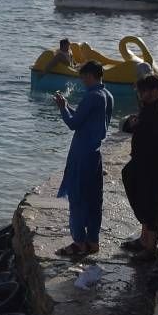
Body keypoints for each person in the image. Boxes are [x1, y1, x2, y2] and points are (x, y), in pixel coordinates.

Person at [53, 61, 113, 258]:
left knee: (77, 199)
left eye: (83, 76)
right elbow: (84, 119)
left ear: (90, 75)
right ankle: (93, 241)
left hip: (81, 153)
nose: (82, 80)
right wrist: (69, 105)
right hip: (95, 152)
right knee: (95, 199)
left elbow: (73, 123)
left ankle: (79, 242)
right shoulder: (107, 95)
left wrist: (62, 108)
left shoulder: (91, 96)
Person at [120, 75, 158, 263]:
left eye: (151, 90)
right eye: (143, 91)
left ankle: (150, 249)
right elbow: (127, 127)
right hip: (139, 164)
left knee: (151, 205)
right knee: (139, 197)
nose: (146, 94)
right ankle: (143, 240)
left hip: (154, 166)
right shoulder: (144, 112)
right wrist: (131, 124)